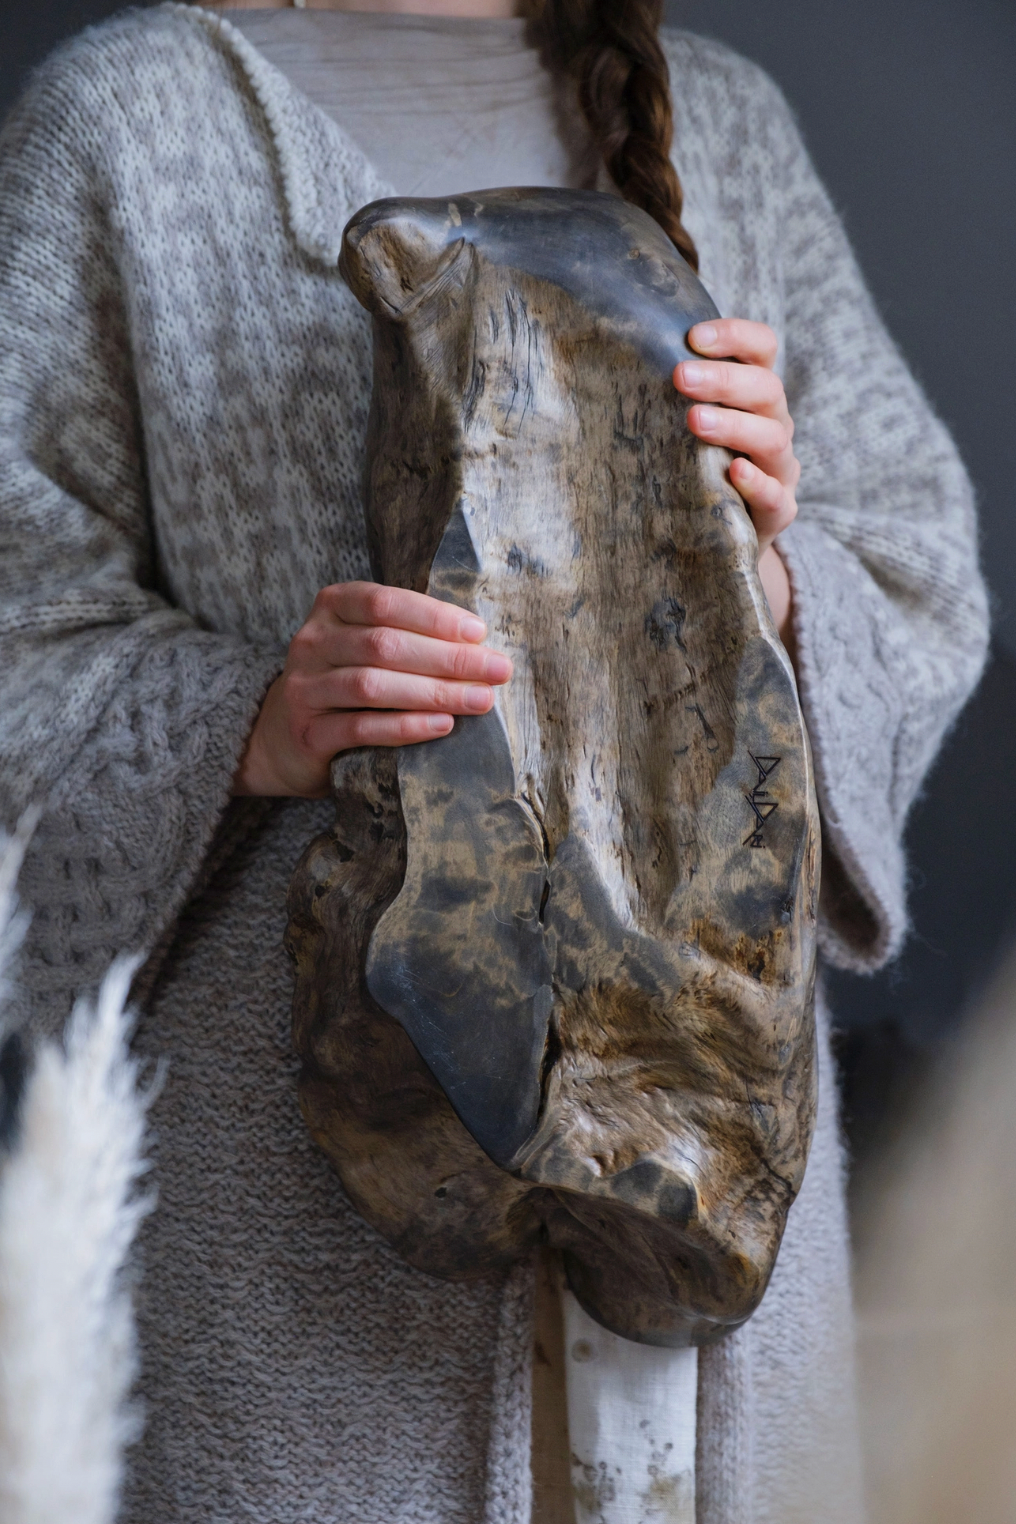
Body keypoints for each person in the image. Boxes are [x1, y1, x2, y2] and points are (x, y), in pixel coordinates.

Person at [0, 0, 988, 1520]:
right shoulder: (127, 126)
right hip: (292, 1266)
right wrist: (245, 725)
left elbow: (921, 572)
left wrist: (768, 571)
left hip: (715, 1195)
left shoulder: (723, 125)